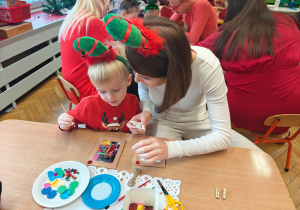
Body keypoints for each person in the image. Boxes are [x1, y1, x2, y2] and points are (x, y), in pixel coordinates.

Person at [103, 14, 260, 163]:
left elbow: (222, 136)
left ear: (173, 73)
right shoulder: (145, 59)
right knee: (154, 165)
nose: (136, 80)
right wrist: (147, 111)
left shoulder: (207, 67)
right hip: (163, 120)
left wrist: (172, 148)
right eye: (135, 72)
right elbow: (144, 91)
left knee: (254, 157)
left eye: (145, 77)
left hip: (198, 121)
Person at [198, 0, 300, 134]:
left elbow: (194, 55)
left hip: (243, 113)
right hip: (294, 111)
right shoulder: (289, 23)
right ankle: (276, 131)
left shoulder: (229, 34)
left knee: (203, 91)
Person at [58, 37, 141, 133]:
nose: (110, 97)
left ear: (128, 80)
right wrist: (63, 123)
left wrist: (137, 129)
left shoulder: (134, 102)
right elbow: (71, 122)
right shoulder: (88, 105)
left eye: (116, 90)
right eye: (102, 91)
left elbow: (137, 126)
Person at [59, 0, 111, 103]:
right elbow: (114, 53)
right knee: (128, 78)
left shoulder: (73, 19)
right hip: (88, 92)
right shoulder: (91, 22)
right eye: (108, 3)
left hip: (74, 90)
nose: (108, 8)